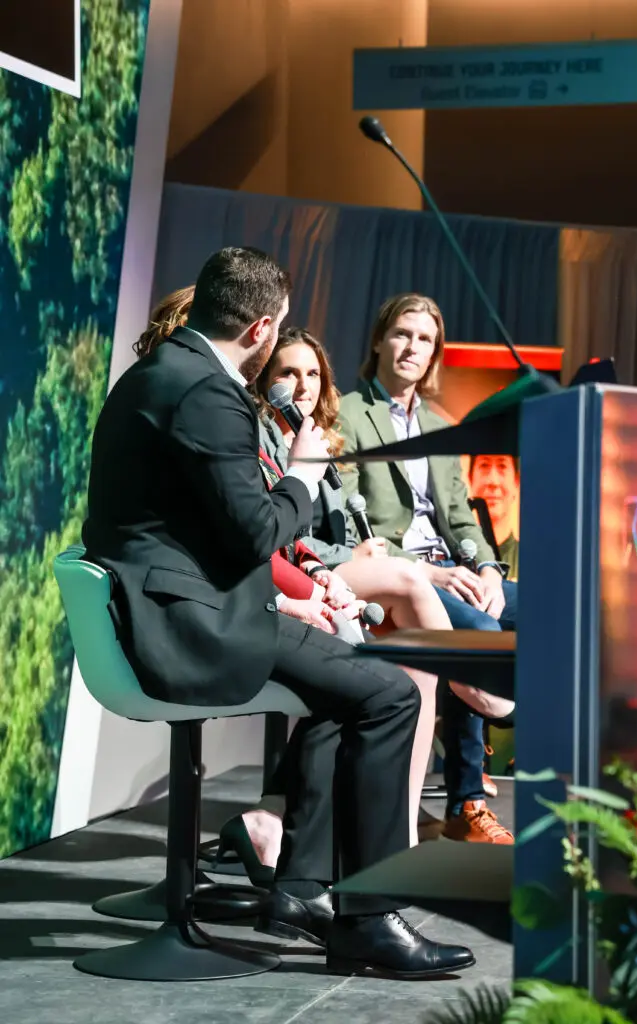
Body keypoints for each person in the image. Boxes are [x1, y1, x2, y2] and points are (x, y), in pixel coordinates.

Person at [83, 249, 475, 978]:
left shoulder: (161, 373)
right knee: (388, 693)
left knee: (346, 692)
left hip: (183, 609)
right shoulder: (205, 391)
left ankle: (301, 889)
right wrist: (301, 467)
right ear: (263, 328)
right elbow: (259, 531)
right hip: (188, 628)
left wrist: (304, 594)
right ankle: (369, 914)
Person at [338, 293, 518, 845]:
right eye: (402, 333)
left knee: (548, 613)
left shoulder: (441, 423)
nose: (411, 347)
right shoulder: (346, 412)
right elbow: (348, 527)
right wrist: (433, 574)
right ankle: (465, 802)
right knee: (480, 637)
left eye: (424, 339)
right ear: (379, 340)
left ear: (435, 352)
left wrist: (487, 567)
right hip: (400, 576)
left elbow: (463, 519)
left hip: (455, 567)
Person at [469, 454, 520, 582]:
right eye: (484, 465)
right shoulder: (458, 556)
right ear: (470, 478)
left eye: (502, 466)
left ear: (516, 481)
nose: (493, 482)